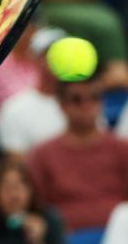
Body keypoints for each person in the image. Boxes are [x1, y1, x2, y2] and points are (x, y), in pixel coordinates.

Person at [29, 74, 128, 231]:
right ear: (61, 104)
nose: (86, 104)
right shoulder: (43, 154)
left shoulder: (122, 148)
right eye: (76, 99)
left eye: (94, 97)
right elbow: (36, 208)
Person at [0, 28, 69, 159]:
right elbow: (16, 161)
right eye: (48, 54)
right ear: (35, 60)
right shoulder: (14, 109)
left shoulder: (85, 101)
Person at [0, 159, 65, 244]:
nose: (14, 195)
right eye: (7, 188)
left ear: (32, 191)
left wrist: (37, 240)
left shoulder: (49, 218)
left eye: (19, 188)